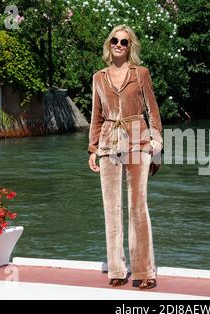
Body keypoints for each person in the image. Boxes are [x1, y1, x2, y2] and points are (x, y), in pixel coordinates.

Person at [87, 25, 163, 289]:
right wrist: (93, 149)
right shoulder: (98, 77)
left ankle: (144, 271)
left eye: (125, 42)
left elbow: (153, 111)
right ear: (109, 45)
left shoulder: (141, 74)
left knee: (138, 207)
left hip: (137, 140)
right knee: (111, 209)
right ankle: (117, 269)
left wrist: (157, 143)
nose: (119, 44)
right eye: (115, 41)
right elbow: (96, 116)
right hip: (108, 144)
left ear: (131, 47)